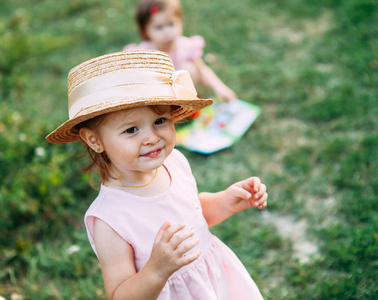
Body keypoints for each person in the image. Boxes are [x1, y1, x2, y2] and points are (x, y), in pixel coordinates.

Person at [46, 50, 267, 300]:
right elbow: (119, 295)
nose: (152, 137)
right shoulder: (110, 219)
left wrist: (225, 201)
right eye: (131, 129)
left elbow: (192, 215)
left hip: (212, 282)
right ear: (94, 140)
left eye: (160, 120)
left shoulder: (175, 162)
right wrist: (156, 270)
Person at [123, 0, 237, 102]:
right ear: (145, 31)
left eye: (171, 24)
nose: (167, 32)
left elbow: (202, 69)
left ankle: (188, 101)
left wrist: (220, 88)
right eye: (159, 27)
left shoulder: (185, 45)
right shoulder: (145, 53)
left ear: (180, 21)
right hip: (160, 95)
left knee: (189, 68)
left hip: (181, 90)